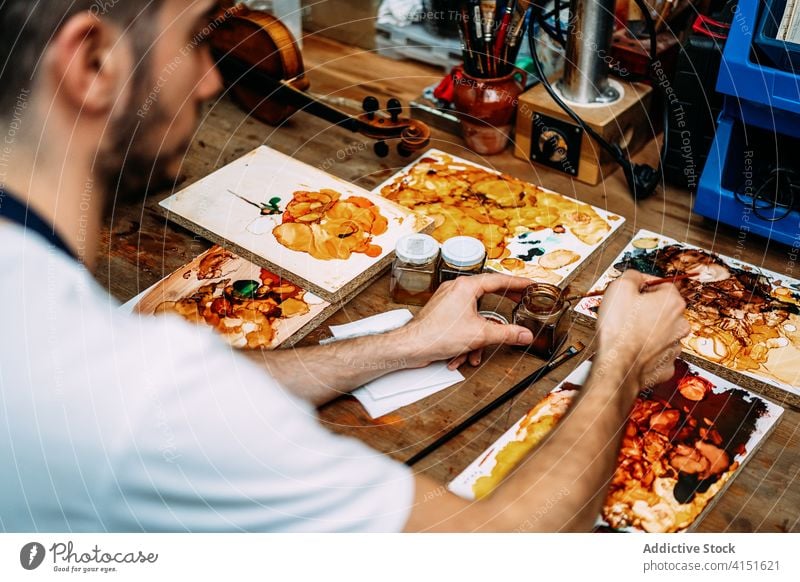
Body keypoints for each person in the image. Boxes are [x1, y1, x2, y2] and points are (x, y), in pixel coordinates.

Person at [0, 0, 689, 532]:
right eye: (196, 37)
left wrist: (398, 345)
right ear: (91, 63)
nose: (212, 75)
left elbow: (184, 383)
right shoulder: (139, 407)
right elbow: (501, 549)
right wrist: (623, 357)